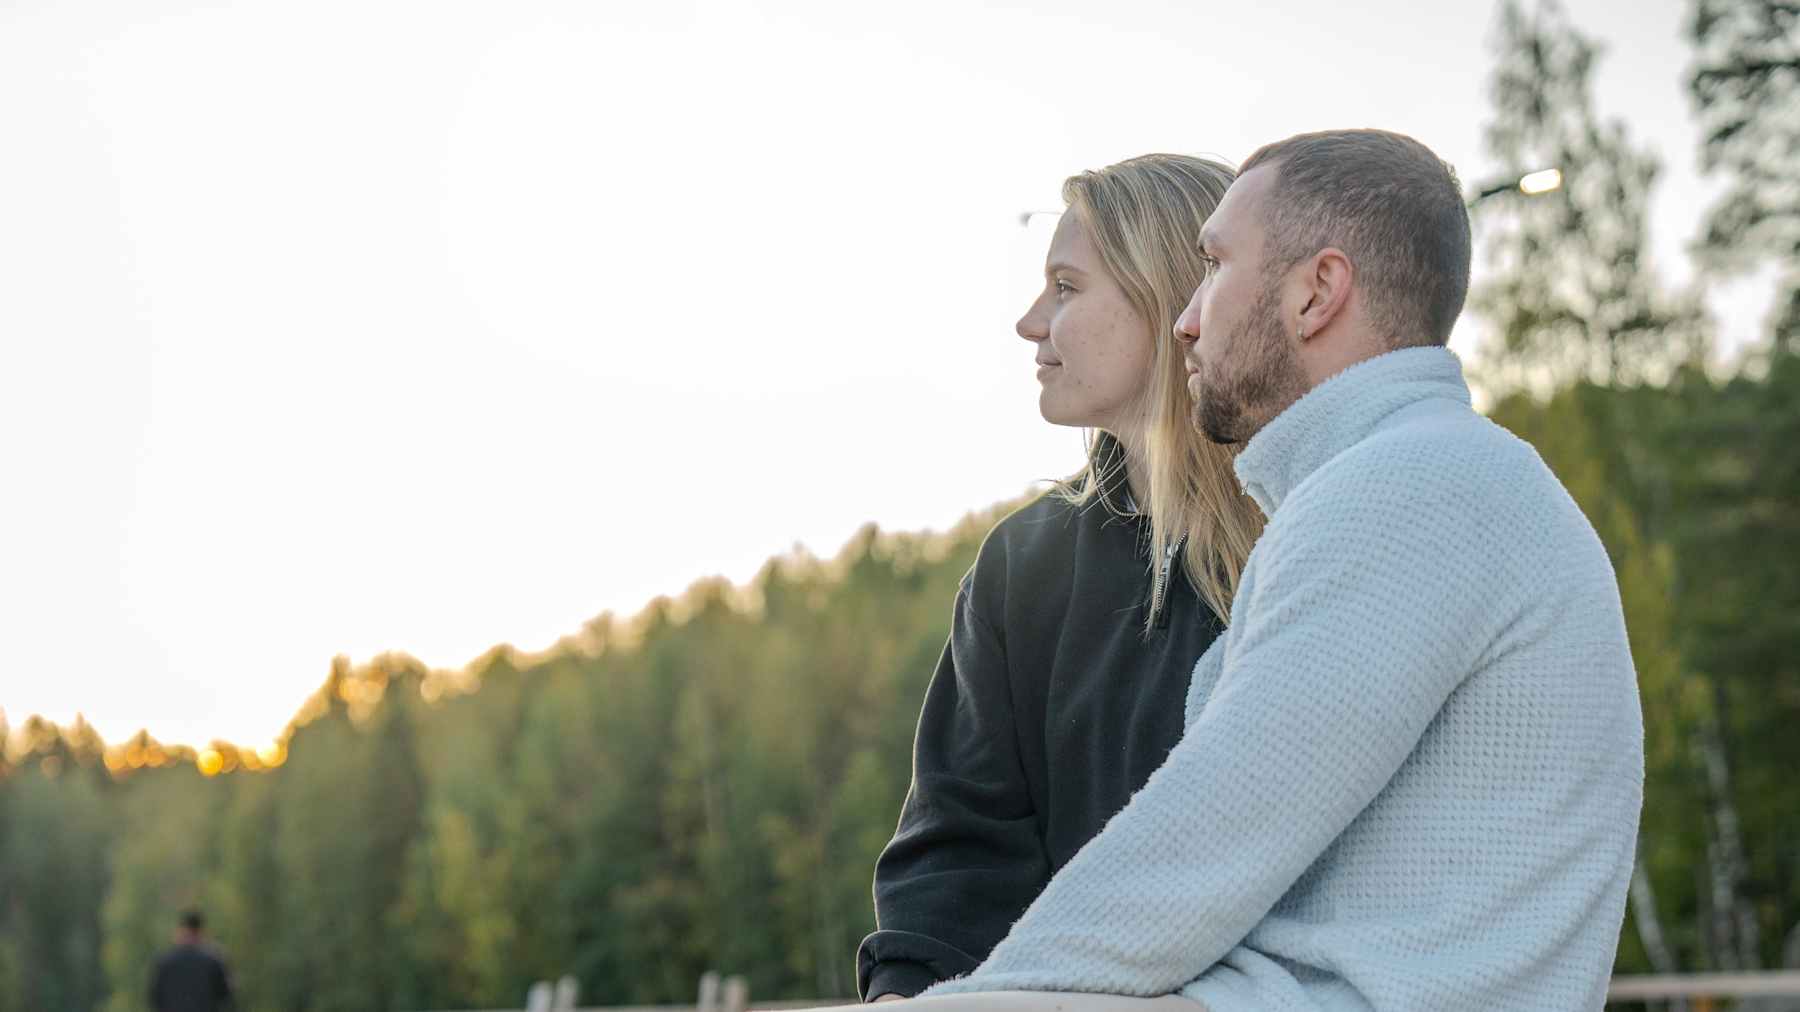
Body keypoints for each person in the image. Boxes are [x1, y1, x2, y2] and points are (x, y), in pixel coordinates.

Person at [896, 129, 1644, 1010]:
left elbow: (1195, 856)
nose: (1189, 315)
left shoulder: (1412, 487)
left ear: (1318, 292)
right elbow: (989, 842)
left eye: (1212, 268)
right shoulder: (1395, 486)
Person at [854, 155, 1267, 1003]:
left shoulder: (1308, 532)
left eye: (1067, 287)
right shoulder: (1025, 566)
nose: (1030, 322)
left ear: (1168, 295)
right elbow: (957, 855)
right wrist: (904, 996)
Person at [149, 909, 235, 1012]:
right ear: (201, 931)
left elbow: (154, 998)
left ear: (180, 931)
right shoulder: (214, 960)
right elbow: (226, 996)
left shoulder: (165, 961)